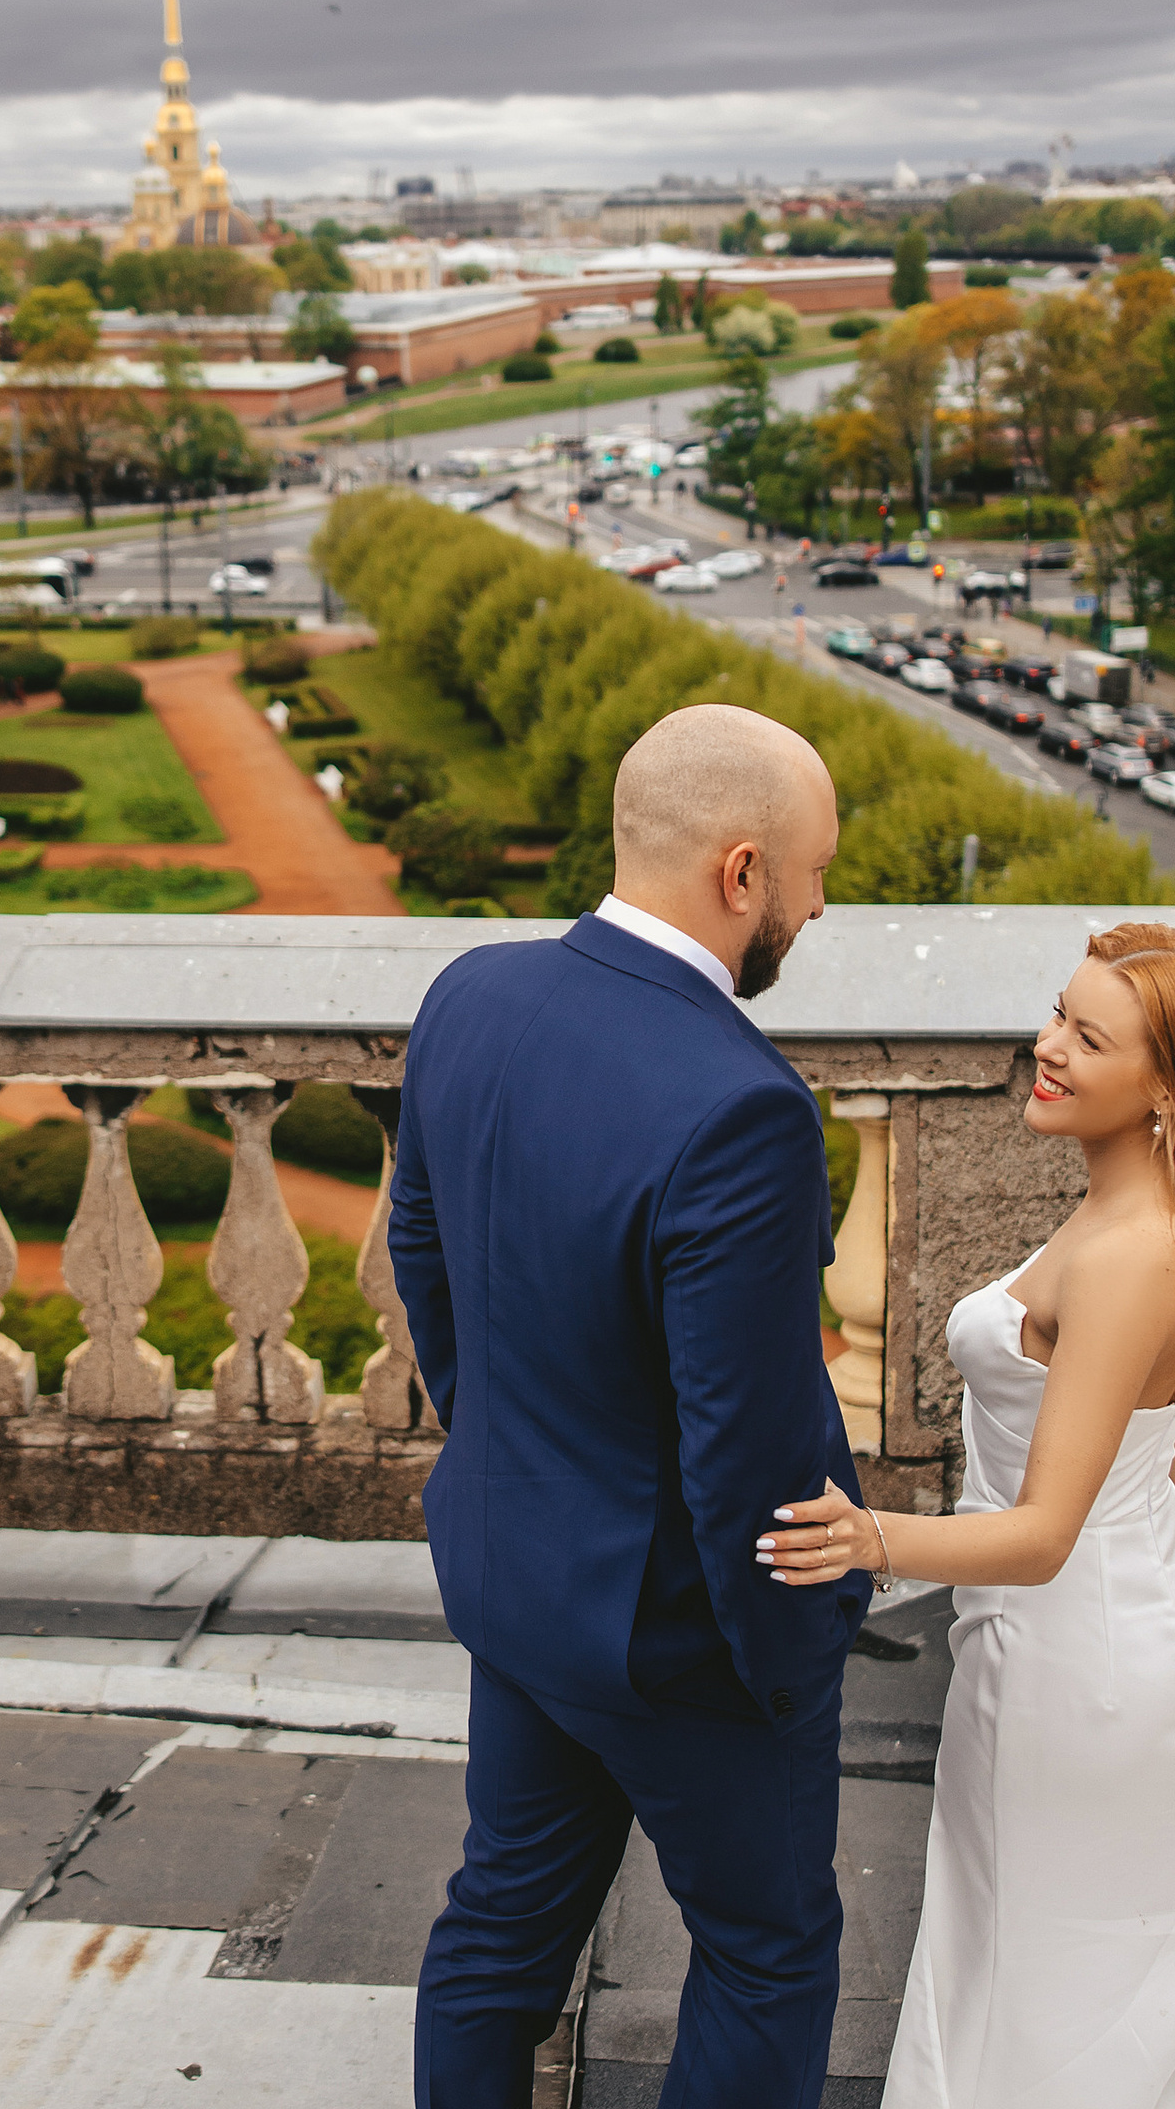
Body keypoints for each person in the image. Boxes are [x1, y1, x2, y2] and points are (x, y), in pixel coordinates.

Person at [760, 923, 1175, 2108]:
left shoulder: (1136, 1254)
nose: (1046, 1047)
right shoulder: (1174, 1216)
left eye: (1089, 1037)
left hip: (1084, 1651)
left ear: (1170, 1089)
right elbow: (1161, 1457)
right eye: (1056, 1014)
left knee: (1071, 1964)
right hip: (1109, 1622)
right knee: (1078, 1937)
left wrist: (867, 1538)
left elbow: (1041, 1534)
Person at [395, 704, 871, 2109]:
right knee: (767, 1952)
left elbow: (423, 1257)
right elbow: (753, 1445)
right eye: (816, 872)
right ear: (742, 874)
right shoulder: (744, 1105)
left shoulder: (470, 993)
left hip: (516, 1580)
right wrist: (798, 1655)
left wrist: (515, 1458)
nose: (819, 903)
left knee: (501, 1922)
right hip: (682, 1640)